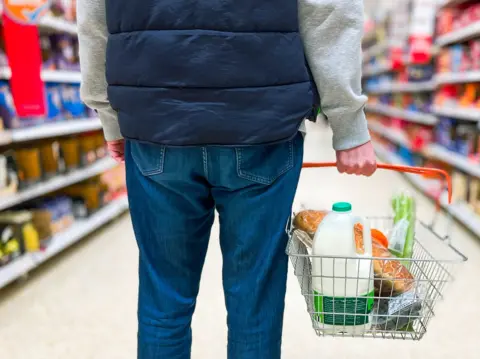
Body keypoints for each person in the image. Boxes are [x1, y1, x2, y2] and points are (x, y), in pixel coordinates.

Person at [77, 0, 376, 358]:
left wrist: (109, 114)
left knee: (164, 299)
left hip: (155, 121)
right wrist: (348, 122)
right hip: (262, 123)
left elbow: (94, 18)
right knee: (254, 302)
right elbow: (328, 10)